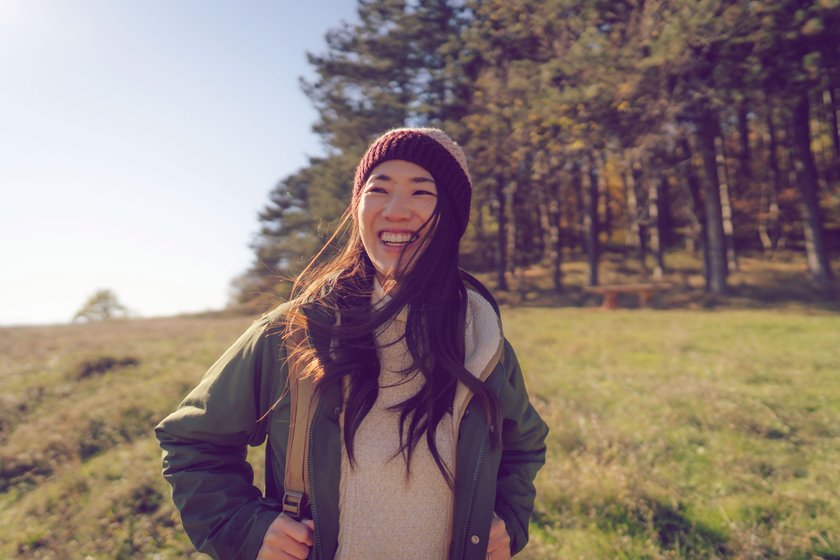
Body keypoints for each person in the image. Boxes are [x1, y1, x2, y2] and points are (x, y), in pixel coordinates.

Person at [155, 127, 549, 560]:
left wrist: (509, 521)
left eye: (422, 192)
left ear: (451, 216)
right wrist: (243, 529)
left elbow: (523, 445)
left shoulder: (483, 342)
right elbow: (193, 441)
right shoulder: (295, 332)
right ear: (358, 207)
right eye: (378, 189)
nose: (396, 210)